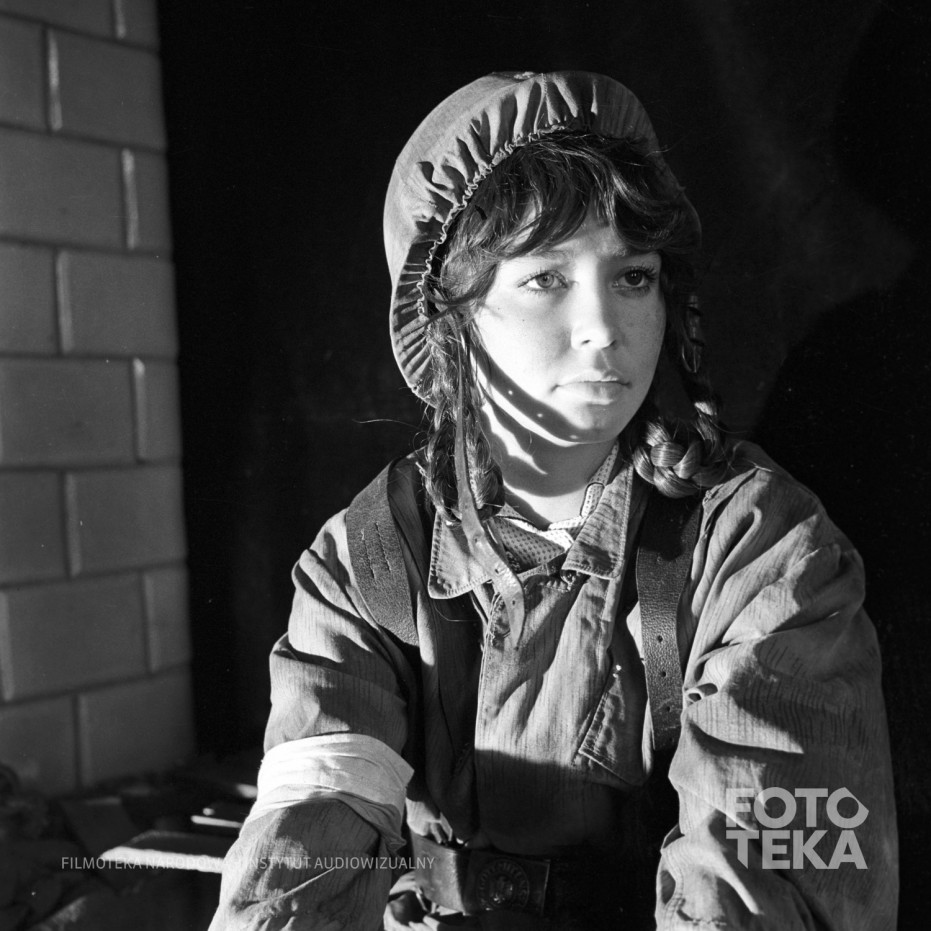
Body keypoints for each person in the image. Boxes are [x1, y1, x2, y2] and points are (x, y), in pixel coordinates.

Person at [210, 71, 897, 930]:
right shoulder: (369, 557)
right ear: (450, 314)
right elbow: (313, 826)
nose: (604, 327)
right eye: (544, 278)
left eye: (633, 276)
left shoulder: (763, 550)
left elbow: (775, 876)